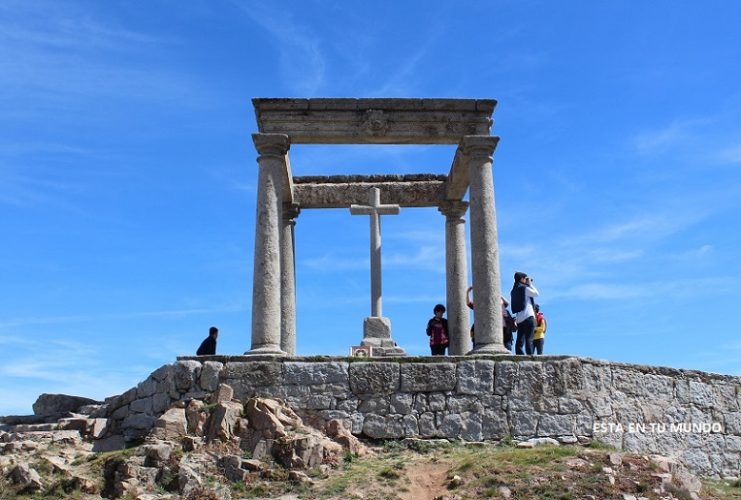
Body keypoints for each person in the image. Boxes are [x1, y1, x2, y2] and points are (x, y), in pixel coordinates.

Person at [510, 272, 539, 355]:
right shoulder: (524, 289)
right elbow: (536, 294)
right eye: (525, 278)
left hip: (519, 319)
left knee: (519, 342)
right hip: (528, 316)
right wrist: (530, 284)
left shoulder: (513, 291)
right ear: (522, 279)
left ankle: (520, 358)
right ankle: (530, 359)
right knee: (529, 339)